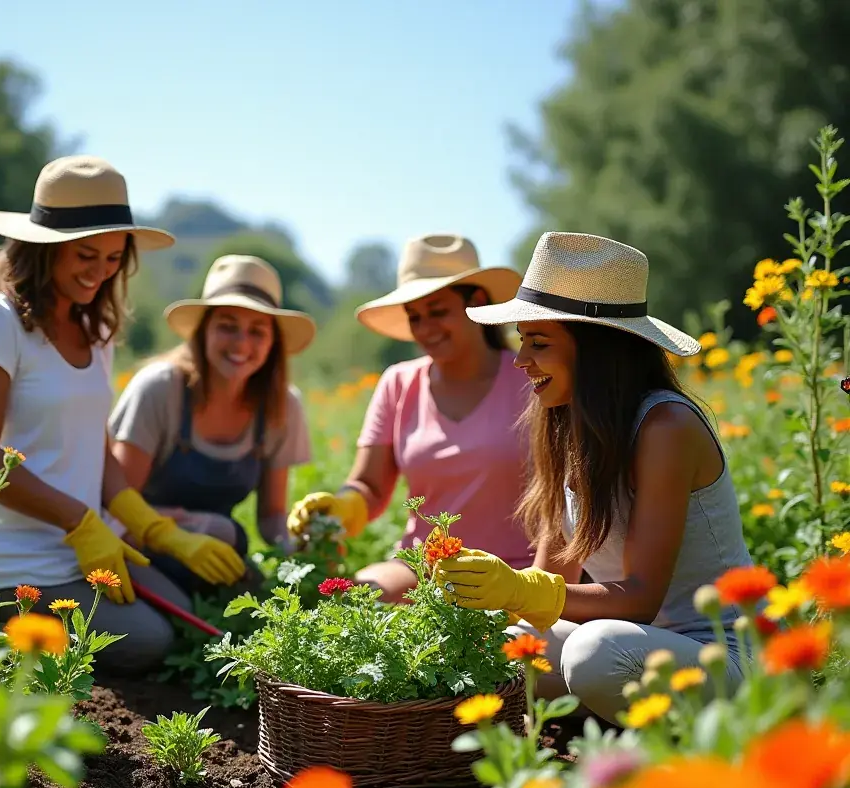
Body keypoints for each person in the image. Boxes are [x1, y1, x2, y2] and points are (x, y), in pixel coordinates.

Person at [0, 155, 238, 674]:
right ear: (41, 248)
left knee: (186, 617)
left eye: (114, 258)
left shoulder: (94, 333)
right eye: (86, 254)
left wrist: (155, 528)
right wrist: (77, 521)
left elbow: (93, 450)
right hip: (4, 561)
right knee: (149, 641)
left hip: (78, 547)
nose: (100, 271)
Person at [434, 231, 753, 721]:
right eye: (522, 341)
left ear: (599, 349)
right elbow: (552, 581)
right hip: (634, 646)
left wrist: (520, 589)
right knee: (503, 647)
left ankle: (668, 740)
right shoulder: (566, 423)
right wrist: (495, 590)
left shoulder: (665, 426)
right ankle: (604, 718)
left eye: (538, 342)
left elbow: (641, 600)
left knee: (594, 652)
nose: (520, 361)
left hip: (716, 654)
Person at [287, 234, 531, 602]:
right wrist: (339, 508)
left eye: (438, 312)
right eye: (414, 317)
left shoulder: (531, 380)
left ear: (477, 303)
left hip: (516, 573)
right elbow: (369, 486)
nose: (425, 329)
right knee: (360, 599)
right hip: (423, 568)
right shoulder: (399, 383)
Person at [109, 254, 314, 592]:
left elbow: (271, 515)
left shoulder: (282, 405)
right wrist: (176, 528)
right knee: (223, 533)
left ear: (274, 342)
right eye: (227, 326)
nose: (241, 343)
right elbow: (114, 504)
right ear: (203, 331)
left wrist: (304, 545)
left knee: (254, 601)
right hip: (135, 543)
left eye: (257, 331)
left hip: (214, 551)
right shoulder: (161, 389)